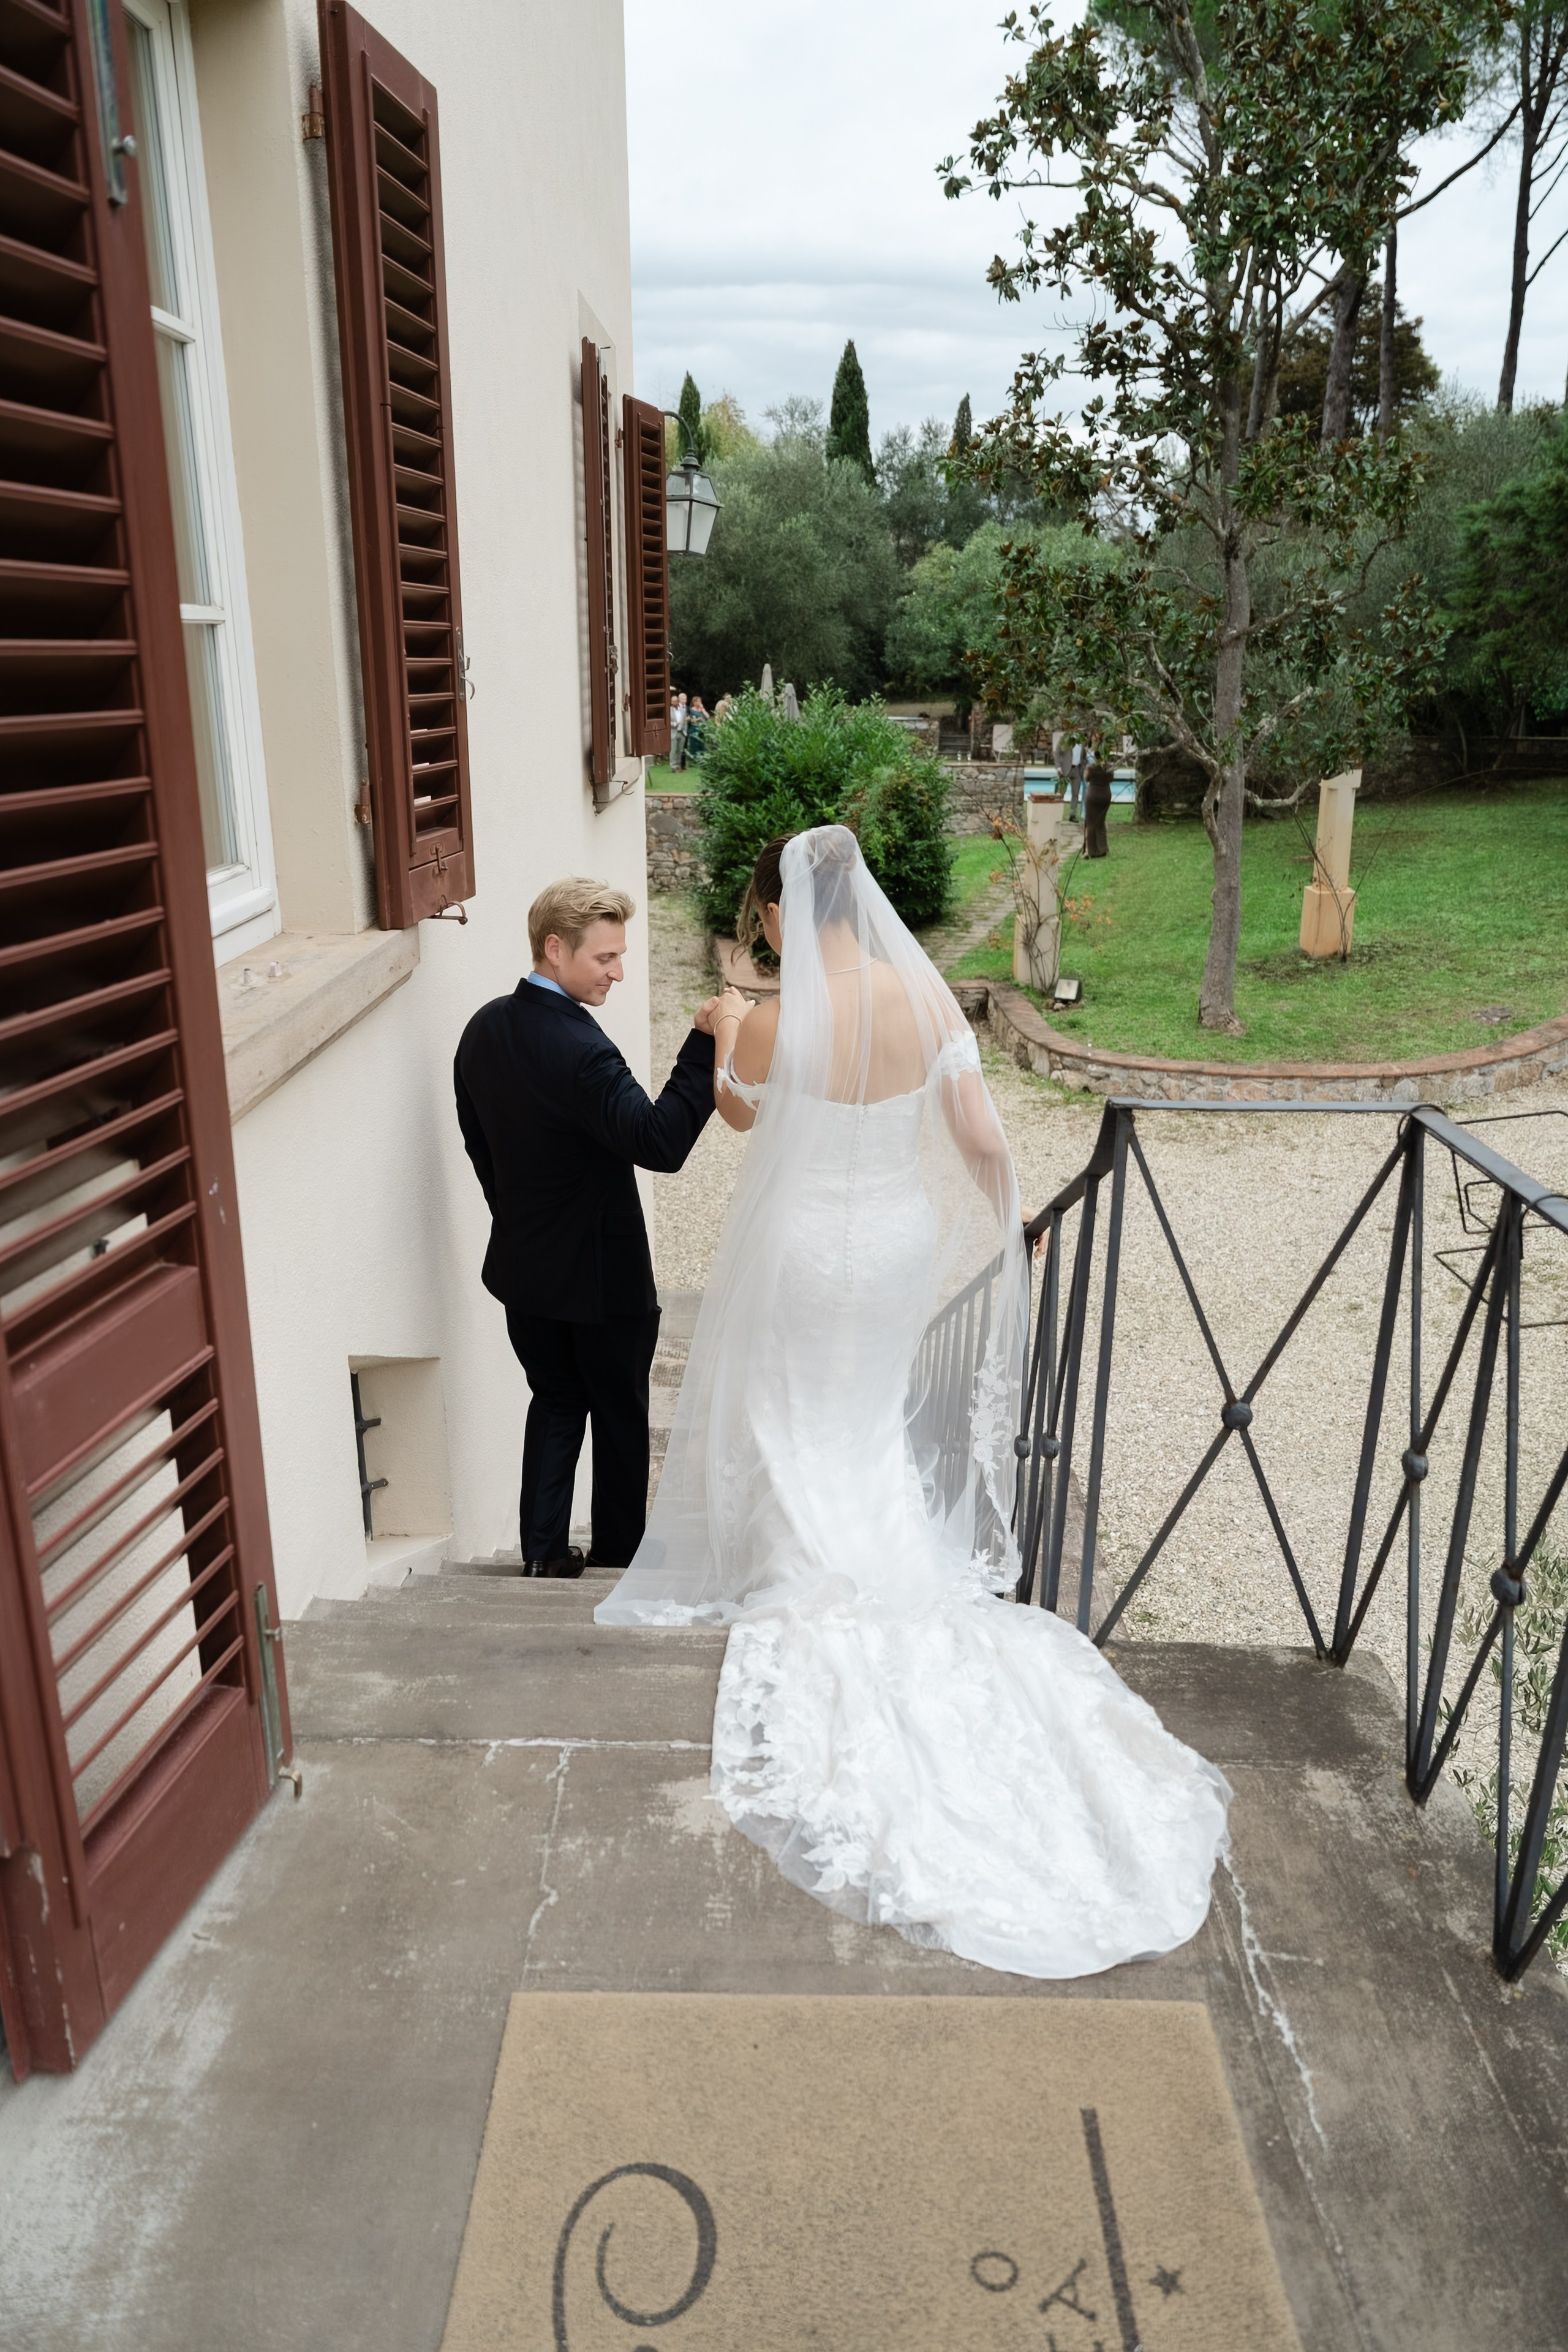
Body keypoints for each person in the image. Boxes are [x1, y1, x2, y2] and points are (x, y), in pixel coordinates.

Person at [597, 829, 1229, 1978]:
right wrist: (1016, 1229)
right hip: (891, 1244)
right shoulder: (930, 1003)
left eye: (770, 916)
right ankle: (881, 1562)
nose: (766, 934)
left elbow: (740, 1119)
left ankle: (809, 1564)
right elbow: (982, 1138)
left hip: (800, 1247)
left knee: (794, 1411)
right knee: (865, 1412)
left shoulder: (780, 1016)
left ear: (794, 913)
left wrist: (728, 1031)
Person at [454, 878, 721, 1577]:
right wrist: (702, 1046)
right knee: (620, 1414)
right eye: (605, 958)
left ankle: (543, 1554)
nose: (619, 972)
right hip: (604, 1281)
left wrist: (518, 1221)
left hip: (524, 1269)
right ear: (554, 947)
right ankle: (616, 1560)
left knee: (555, 1400)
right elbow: (661, 1144)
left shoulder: (482, 1028)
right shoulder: (583, 1051)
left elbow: (480, 1148)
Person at [1083, 758, 1114, 858]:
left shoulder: (1091, 768)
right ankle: (1102, 849)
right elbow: (1111, 779)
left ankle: (1088, 851)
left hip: (1093, 795)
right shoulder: (1109, 767)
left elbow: (1086, 779)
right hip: (1105, 795)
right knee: (1100, 823)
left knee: (1090, 822)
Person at [669, 692, 689, 772]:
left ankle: (678, 765)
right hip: (673, 732)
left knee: (680, 751)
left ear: (678, 702)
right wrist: (675, 724)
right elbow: (667, 723)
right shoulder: (669, 711)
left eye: (675, 701)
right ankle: (673, 767)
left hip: (682, 733)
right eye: (673, 701)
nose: (674, 703)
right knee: (673, 751)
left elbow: (685, 721)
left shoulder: (683, 711)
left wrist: (685, 731)